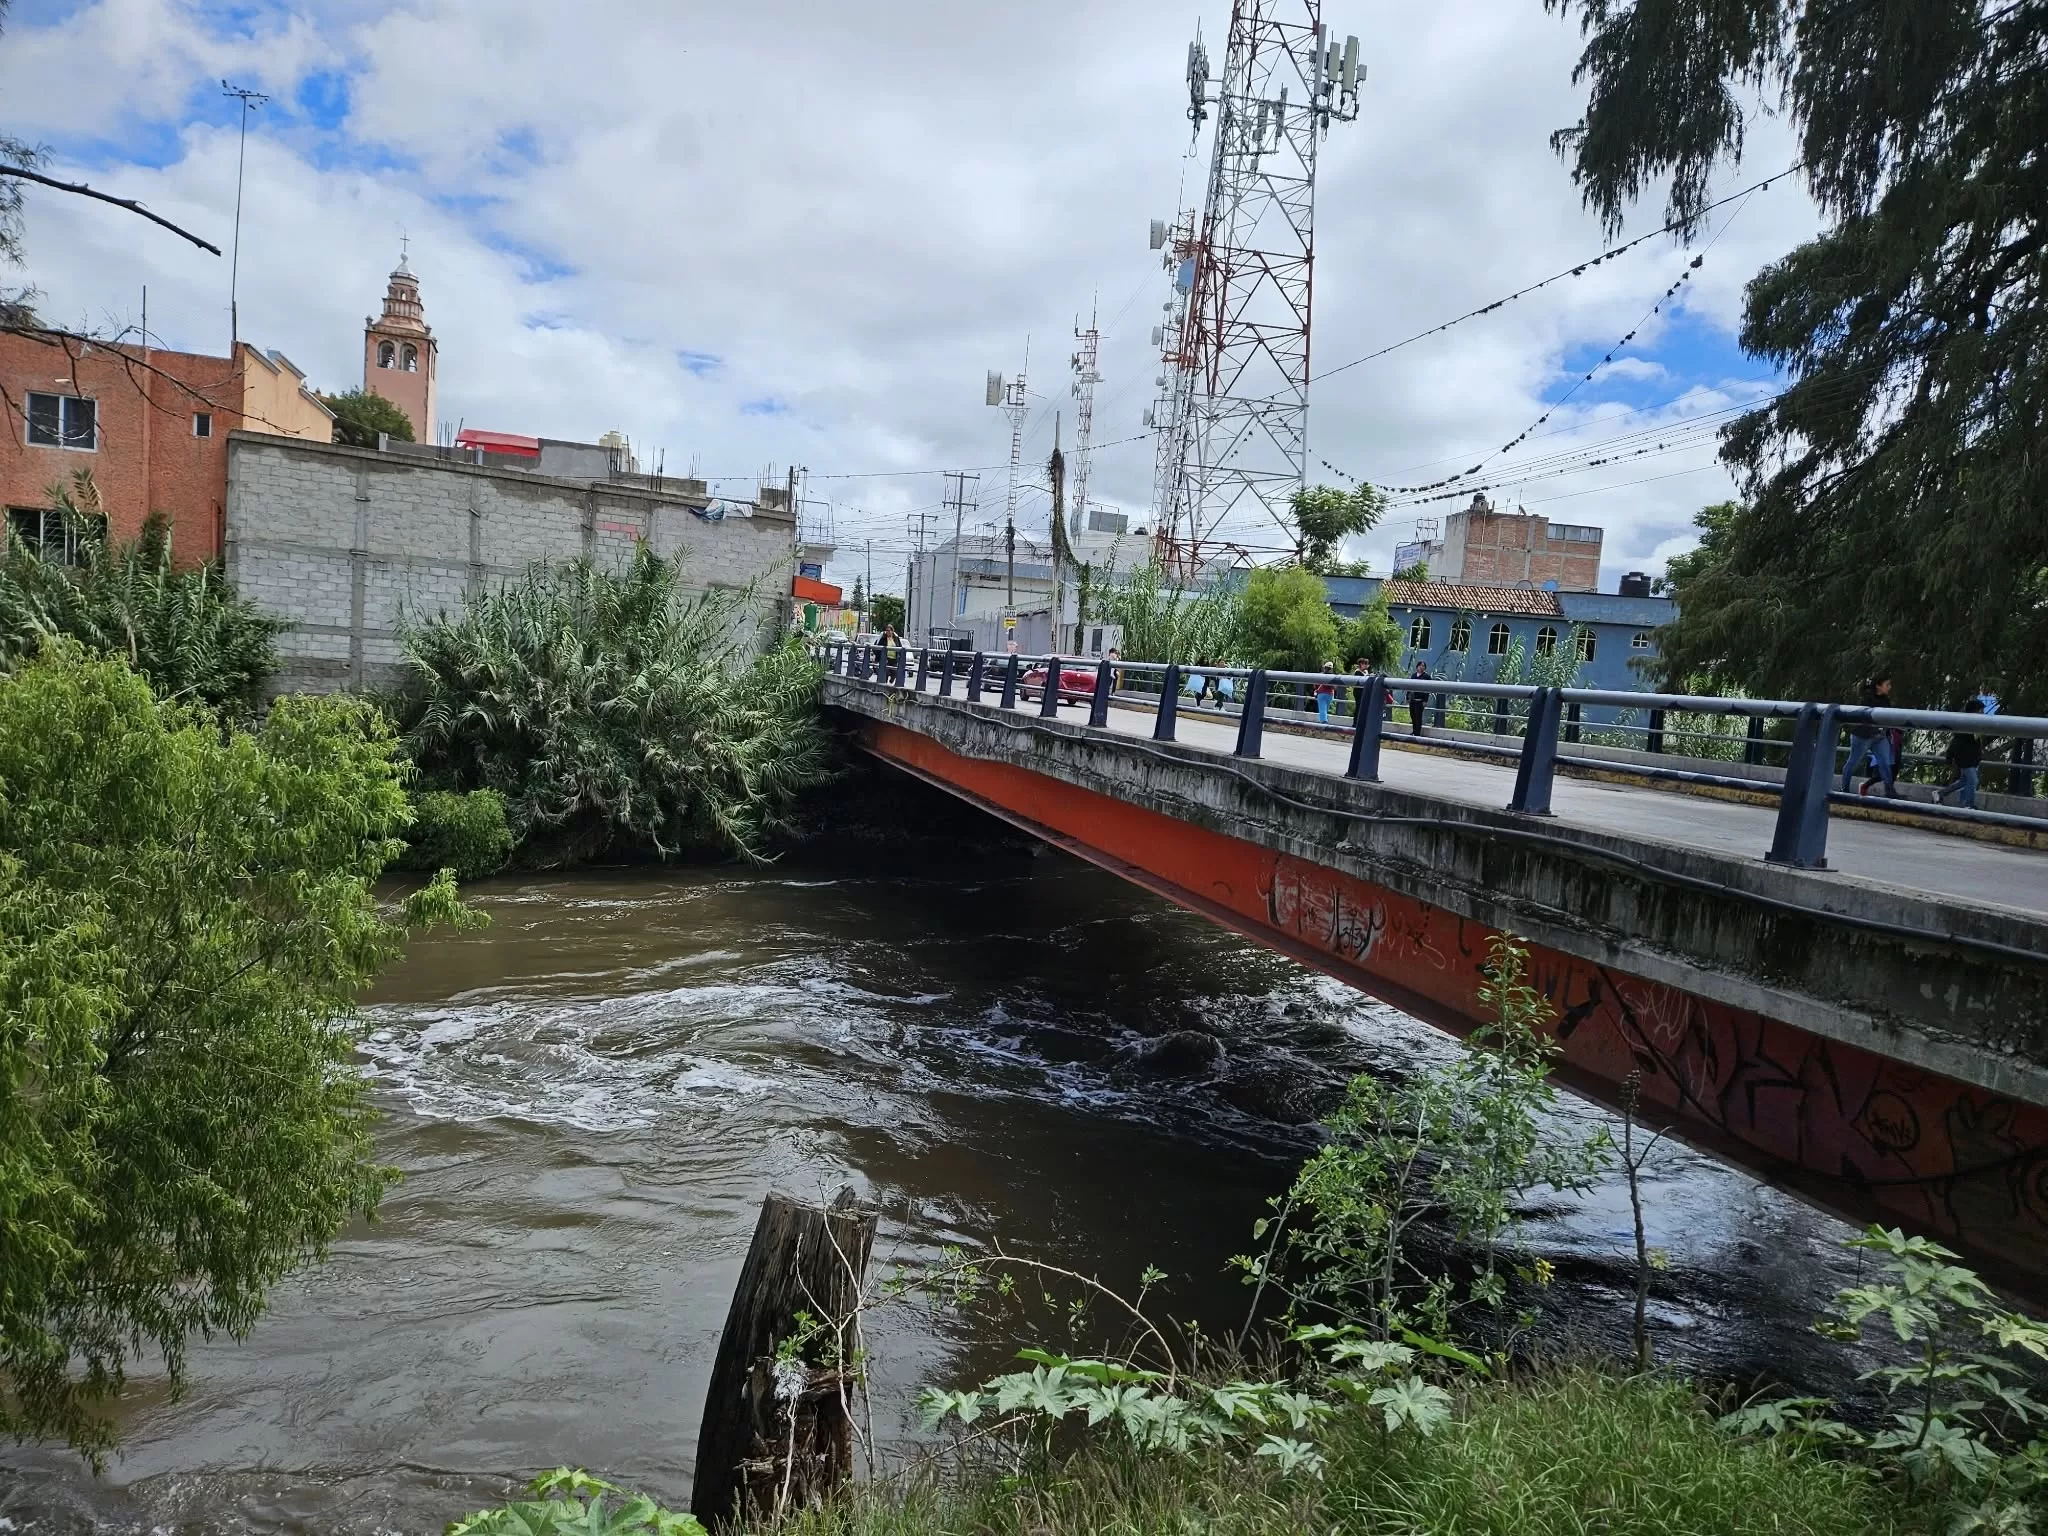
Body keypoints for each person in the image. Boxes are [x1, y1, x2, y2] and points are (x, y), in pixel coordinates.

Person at [1842, 674, 1899, 798]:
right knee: (1853, 762)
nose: (1889, 687)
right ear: (1878, 686)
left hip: (1880, 736)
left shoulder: (1885, 700)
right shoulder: (1867, 698)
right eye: (1887, 685)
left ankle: (1890, 792)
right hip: (1863, 736)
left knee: (1885, 763)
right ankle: (1844, 789)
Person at [1936, 697, 1986, 809]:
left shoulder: (1975, 725)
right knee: (1973, 781)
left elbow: (1976, 744)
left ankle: (1940, 794)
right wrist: (1949, 757)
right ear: (1974, 712)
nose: (1983, 713)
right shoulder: (1965, 725)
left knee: (1963, 781)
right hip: (1965, 759)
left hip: (1971, 759)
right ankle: (1969, 805)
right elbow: (1955, 743)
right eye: (1981, 711)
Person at [1406, 660, 1432, 738]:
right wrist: (1407, 697)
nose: (1421, 667)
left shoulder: (1427, 677)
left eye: (1423, 666)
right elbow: (1409, 686)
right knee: (1413, 716)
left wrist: (1425, 700)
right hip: (1412, 700)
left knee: (1418, 717)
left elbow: (1428, 690)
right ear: (1417, 666)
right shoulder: (1414, 675)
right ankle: (1414, 731)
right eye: (1420, 665)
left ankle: (1417, 733)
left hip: (1420, 700)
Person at [1314, 662, 1338, 726]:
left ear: (1324, 668)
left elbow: (1315, 685)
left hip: (1322, 693)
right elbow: (1335, 687)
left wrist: (1316, 689)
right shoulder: (1333, 676)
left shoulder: (1321, 675)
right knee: (1325, 709)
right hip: (1330, 694)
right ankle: (1324, 721)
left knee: (1322, 709)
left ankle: (1324, 723)